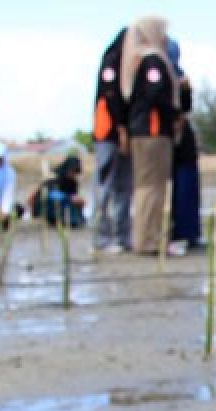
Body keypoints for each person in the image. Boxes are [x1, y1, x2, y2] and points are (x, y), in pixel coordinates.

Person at [122, 16, 180, 256]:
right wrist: (174, 115)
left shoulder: (140, 61)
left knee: (147, 187)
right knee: (151, 187)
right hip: (152, 131)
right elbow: (156, 96)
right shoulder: (153, 62)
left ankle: (147, 237)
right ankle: (148, 241)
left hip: (143, 130)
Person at [93, 27, 132, 253]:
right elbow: (110, 96)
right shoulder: (111, 61)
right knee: (104, 185)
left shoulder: (128, 66)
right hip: (107, 133)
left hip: (122, 133)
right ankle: (101, 237)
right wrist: (121, 129)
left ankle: (121, 236)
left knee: (123, 186)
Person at [168, 37, 203, 256]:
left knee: (186, 188)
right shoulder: (166, 73)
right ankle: (180, 232)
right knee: (180, 189)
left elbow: (184, 107)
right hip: (172, 142)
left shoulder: (178, 76)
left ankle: (187, 233)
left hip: (182, 146)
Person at [32, 155, 86, 228]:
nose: (73, 174)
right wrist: (69, 198)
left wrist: (79, 201)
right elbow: (50, 195)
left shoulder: (73, 183)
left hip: (64, 205)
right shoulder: (54, 179)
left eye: (75, 172)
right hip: (49, 205)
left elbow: (74, 197)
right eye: (72, 171)